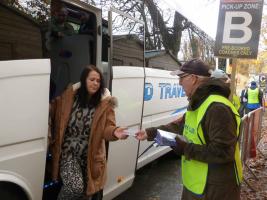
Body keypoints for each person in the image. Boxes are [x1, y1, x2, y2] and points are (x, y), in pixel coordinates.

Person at [135, 58, 243, 200]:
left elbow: (223, 152)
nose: (179, 83)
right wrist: (151, 133)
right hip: (198, 185)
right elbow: (179, 125)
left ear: (193, 78)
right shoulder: (199, 101)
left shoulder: (217, 108)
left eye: (181, 77)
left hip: (216, 189)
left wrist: (185, 148)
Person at [49, 65, 128, 200]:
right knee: (75, 187)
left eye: (98, 81)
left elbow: (108, 128)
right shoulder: (69, 97)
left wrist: (115, 132)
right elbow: (52, 109)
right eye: (92, 79)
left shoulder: (105, 104)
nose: (95, 83)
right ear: (84, 80)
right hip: (69, 153)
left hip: (91, 156)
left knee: (86, 194)